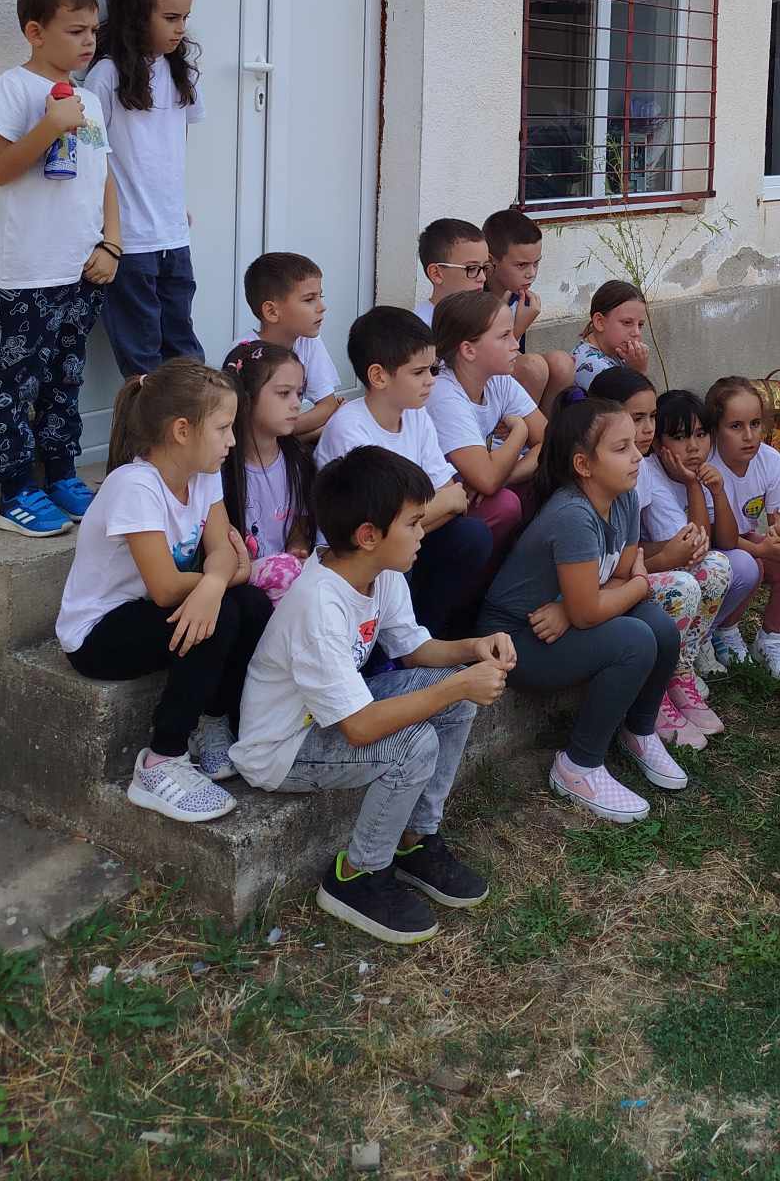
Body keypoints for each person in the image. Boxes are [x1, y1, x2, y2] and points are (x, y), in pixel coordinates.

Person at [231, 448, 511, 944]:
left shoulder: (381, 574)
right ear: (368, 536)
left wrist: (473, 649)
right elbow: (359, 727)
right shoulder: (319, 605)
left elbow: (415, 650)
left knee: (455, 697)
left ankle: (416, 839)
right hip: (283, 748)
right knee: (413, 744)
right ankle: (357, 877)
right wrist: (456, 685)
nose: (423, 532)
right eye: (414, 523)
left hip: (332, 715)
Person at [55, 360, 272, 823]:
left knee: (252, 604)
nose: (233, 441)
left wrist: (218, 579)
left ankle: (212, 721)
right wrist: (219, 580)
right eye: (223, 428)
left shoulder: (203, 474)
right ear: (181, 431)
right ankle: (161, 761)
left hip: (151, 612)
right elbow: (166, 587)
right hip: (98, 634)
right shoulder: (135, 486)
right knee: (220, 615)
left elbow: (222, 551)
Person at [476, 397, 687, 821]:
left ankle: (638, 730)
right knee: (634, 639)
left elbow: (618, 578)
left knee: (661, 628)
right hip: (516, 639)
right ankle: (578, 766)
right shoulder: (573, 515)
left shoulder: (624, 497)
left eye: (634, 444)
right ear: (584, 465)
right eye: (621, 448)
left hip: (559, 619)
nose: (637, 455)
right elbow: (618, 591)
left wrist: (573, 608)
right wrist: (636, 586)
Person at [0, 0, 120, 537]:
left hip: (82, 267)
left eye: (93, 31)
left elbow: (105, 177)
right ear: (35, 32)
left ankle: (61, 473)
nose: (88, 41)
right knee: (15, 381)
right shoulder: (15, 87)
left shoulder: (87, 99)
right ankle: (15, 489)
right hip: (28, 269)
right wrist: (49, 125)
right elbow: (0, 169)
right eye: (75, 30)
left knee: (67, 376)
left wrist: (113, 244)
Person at [317, 308, 490, 637]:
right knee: (395, 547)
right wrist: (438, 504)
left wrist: (416, 515)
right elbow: (378, 527)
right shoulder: (350, 429)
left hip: (401, 536)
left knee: (471, 536)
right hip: (355, 553)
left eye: (433, 369)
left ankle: (425, 635)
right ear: (379, 376)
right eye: (419, 372)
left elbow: (455, 497)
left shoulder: (415, 414)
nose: (431, 381)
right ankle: (390, 646)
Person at [591, 368, 730, 748]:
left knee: (716, 566)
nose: (648, 428)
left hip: (628, 570)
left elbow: (650, 542)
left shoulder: (643, 467)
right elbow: (610, 557)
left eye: (652, 417)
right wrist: (665, 557)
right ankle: (654, 689)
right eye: (637, 418)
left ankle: (678, 671)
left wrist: (676, 548)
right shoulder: (608, 471)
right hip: (603, 584)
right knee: (682, 584)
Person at [86, 0, 203, 376]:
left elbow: (175, 142)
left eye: (185, 18)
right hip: (130, 241)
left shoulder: (180, 71)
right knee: (143, 364)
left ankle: (196, 421)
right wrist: (106, 231)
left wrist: (173, 203)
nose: (180, 28)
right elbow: (93, 156)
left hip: (173, 236)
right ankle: (147, 424)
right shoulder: (106, 75)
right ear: (138, 14)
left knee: (185, 355)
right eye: (170, 18)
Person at [646, 387, 762, 679]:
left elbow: (727, 541)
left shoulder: (703, 468)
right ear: (658, 445)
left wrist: (718, 492)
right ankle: (678, 655)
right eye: (680, 437)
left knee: (745, 566)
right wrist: (692, 486)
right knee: (714, 565)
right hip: (657, 570)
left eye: (700, 434)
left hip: (685, 563)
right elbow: (696, 548)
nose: (694, 447)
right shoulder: (652, 475)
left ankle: (700, 637)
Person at [703, 377, 780, 683]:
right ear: (715, 428)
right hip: (711, 547)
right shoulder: (707, 464)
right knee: (752, 563)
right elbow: (714, 535)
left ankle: (771, 639)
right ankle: (724, 630)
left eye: (755, 424)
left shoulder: (769, 460)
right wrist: (760, 550)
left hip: (744, 541)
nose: (749, 436)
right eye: (735, 426)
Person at [427, 292, 546, 571]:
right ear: (469, 350)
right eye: (504, 336)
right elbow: (488, 480)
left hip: (473, 492)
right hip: (439, 515)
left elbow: (553, 443)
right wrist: (520, 431)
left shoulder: (498, 380)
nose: (515, 344)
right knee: (504, 505)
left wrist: (507, 476)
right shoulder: (443, 393)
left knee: (546, 481)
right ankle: (479, 589)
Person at [220, 341, 318, 603]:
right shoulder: (221, 469)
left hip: (288, 577)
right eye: (284, 393)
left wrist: (297, 545)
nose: (296, 404)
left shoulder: (297, 461)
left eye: (299, 393)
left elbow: (299, 520)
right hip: (241, 585)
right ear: (245, 398)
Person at [239, 252, 343, 444]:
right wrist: (314, 427)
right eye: (309, 299)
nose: (322, 307)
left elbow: (327, 406)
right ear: (272, 311)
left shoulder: (308, 340)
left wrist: (282, 430)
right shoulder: (245, 353)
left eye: (320, 296)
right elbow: (250, 428)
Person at [482, 207, 576, 413]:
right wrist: (519, 327)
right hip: (484, 382)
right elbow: (483, 362)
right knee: (533, 367)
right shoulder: (476, 298)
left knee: (563, 363)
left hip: (510, 375)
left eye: (536, 263)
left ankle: (547, 428)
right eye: (521, 265)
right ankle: (517, 430)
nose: (531, 274)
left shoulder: (518, 296)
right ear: (491, 260)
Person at [573, 280, 651, 394]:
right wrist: (639, 372)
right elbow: (634, 403)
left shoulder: (616, 352)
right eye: (627, 322)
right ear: (599, 322)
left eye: (640, 325)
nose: (636, 333)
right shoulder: (595, 367)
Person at [414, 218, 490, 327]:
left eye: (485, 267)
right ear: (436, 274)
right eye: (472, 268)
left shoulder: (481, 318)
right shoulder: (422, 329)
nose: (483, 278)